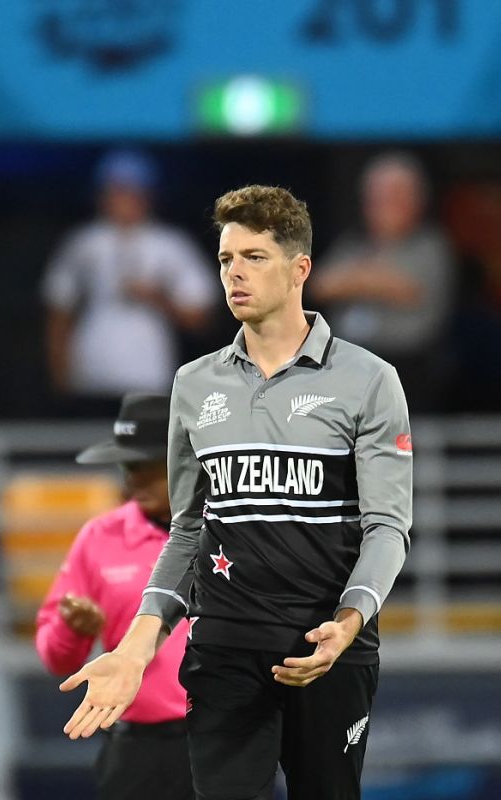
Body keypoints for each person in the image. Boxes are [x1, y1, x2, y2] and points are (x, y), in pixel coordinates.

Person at [60, 185, 412, 800]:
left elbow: (387, 526)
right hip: (224, 646)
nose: (234, 274)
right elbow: (189, 532)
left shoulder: (369, 381)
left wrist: (350, 621)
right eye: (226, 260)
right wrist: (137, 648)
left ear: (299, 269)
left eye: (254, 257)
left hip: (326, 648)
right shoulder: (193, 385)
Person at [35, 393, 193, 800]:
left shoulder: (232, 531)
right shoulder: (99, 538)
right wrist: (72, 630)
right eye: (127, 466)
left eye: (147, 465)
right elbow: (57, 659)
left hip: (226, 741)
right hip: (134, 751)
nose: (133, 480)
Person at [42, 149, 214, 413]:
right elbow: (58, 313)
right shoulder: (83, 243)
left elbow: (200, 319)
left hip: (148, 378)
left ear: (148, 196)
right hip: (90, 378)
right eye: (116, 191)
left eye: (132, 192)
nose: (123, 200)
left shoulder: (171, 245)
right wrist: (60, 378)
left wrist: (155, 297)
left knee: (144, 450)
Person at [310, 151, 456, 411]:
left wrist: (355, 279)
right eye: (377, 198)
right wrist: (372, 279)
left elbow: (406, 288)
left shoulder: (430, 246)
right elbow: (319, 284)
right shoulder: (354, 244)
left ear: (416, 200)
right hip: (350, 369)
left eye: (393, 197)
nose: (382, 206)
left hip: (407, 372)